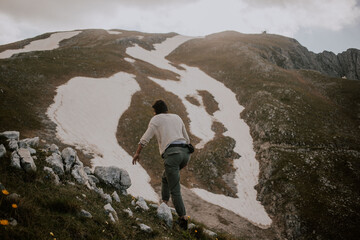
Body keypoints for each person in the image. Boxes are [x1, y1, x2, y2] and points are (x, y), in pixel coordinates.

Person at [132, 99, 192, 230]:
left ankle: (183, 219)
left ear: (155, 112)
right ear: (166, 109)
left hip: (172, 154)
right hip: (185, 153)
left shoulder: (156, 120)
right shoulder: (177, 117)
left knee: (175, 189)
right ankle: (164, 203)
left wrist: (137, 153)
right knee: (165, 177)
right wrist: (185, 159)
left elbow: (145, 138)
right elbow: (187, 139)